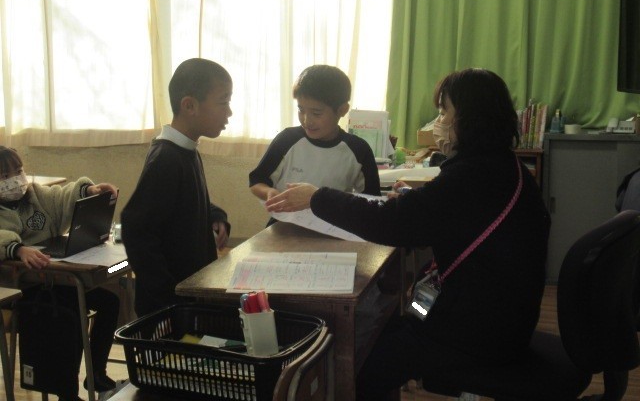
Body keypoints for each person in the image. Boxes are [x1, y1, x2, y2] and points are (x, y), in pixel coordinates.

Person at [264, 68, 550, 400]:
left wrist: (317, 198)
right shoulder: (501, 166)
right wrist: (414, 202)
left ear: (469, 118)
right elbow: (442, 216)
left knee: (363, 363)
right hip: (498, 318)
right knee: (386, 326)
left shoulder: (472, 175)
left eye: (444, 112)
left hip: (480, 334)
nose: (438, 122)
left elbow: (391, 224)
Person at [0, 146, 120, 401]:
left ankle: (96, 373)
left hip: (56, 278)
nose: (14, 180)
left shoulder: (35, 196)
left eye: (18, 171)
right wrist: (18, 249)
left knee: (110, 301)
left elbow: (60, 196)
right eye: (4, 176)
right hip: (26, 288)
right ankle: (68, 393)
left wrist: (88, 191)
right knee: (71, 313)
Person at [121, 58, 232, 317]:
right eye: (223, 102)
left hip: (189, 293)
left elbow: (184, 202)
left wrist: (215, 216)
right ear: (189, 105)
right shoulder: (166, 159)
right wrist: (165, 296)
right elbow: (136, 228)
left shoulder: (186, 150)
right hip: (169, 306)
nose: (229, 112)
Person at [249, 64, 380, 224]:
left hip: (333, 229)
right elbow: (257, 181)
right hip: (284, 225)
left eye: (316, 113)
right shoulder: (287, 140)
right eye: (301, 110)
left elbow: (372, 201)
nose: (306, 120)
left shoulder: (358, 150)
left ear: (342, 110)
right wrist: (269, 192)